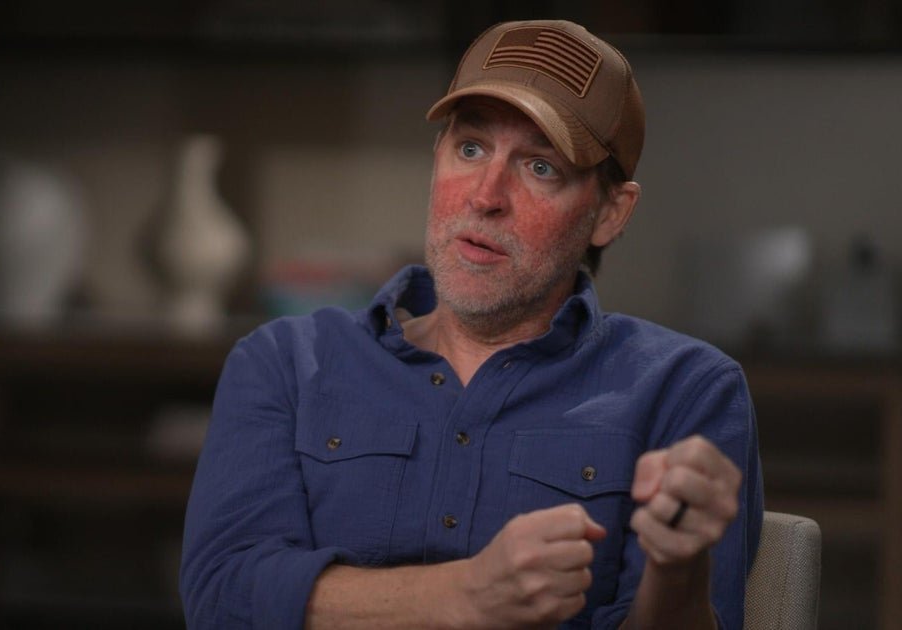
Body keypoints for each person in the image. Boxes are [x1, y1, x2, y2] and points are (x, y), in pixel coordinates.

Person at [180, 19, 762, 630]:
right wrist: (462, 595)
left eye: (541, 167)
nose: (486, 196)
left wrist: (678, 569)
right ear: (437, 156)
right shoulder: (286, 362)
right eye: (471, 148)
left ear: (610, 213)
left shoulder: (686, 390)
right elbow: (223, 595)